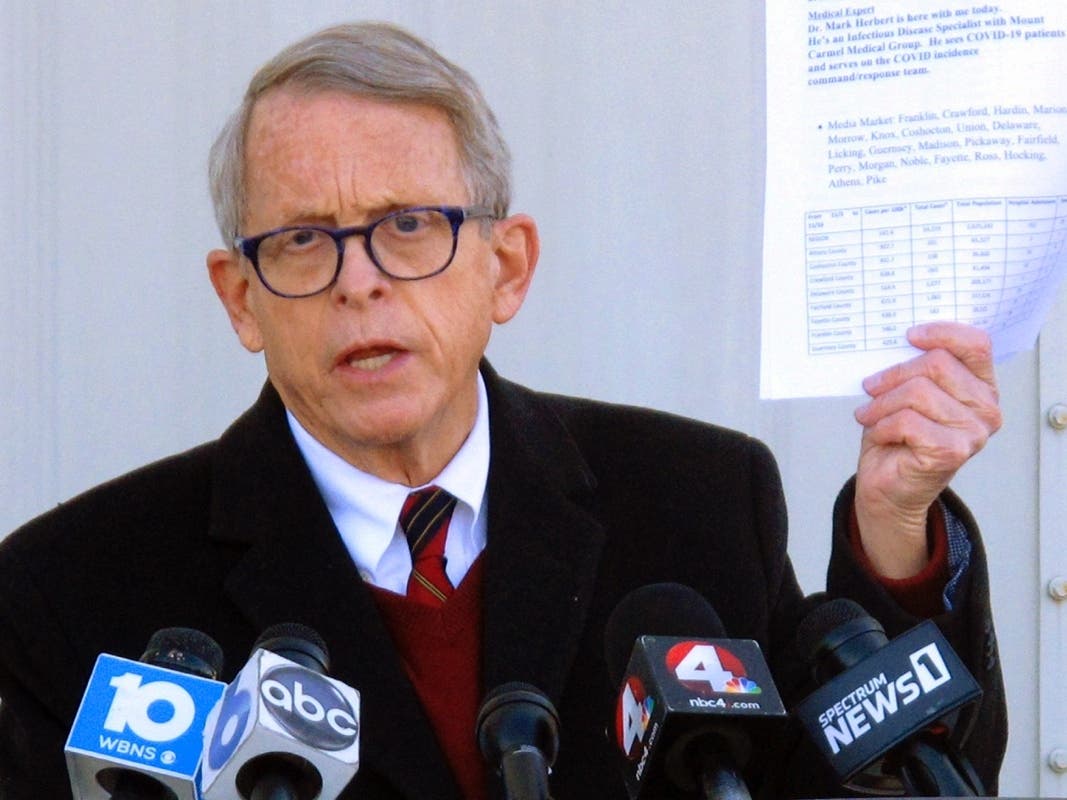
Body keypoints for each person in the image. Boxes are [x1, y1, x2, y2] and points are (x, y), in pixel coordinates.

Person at [0, 21, 1005, 800]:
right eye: (303, 240)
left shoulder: (695, 501)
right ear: (239, 298)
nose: (359, 282)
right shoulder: (76, 592)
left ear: (506, 266)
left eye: (407, 225)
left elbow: (871, 775)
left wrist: (893, 530)